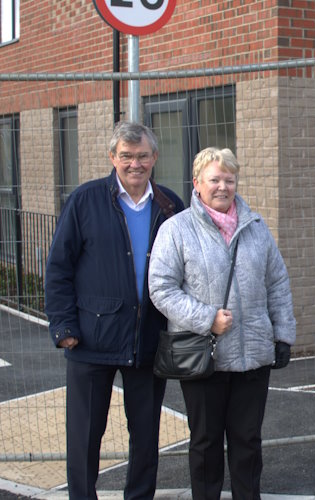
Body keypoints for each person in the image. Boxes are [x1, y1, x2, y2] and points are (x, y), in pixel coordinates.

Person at [44, 121, 184, 499]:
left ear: (154, 157)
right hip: (90, 339)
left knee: (145, 435)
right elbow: (58, 267)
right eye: (126, 156)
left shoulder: (170, 205)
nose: (134, 164)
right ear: (112, 157)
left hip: (148, 340)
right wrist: (63, 327)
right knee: (85, 436)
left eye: (141, 156)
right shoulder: (85, 201)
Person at [148, 147, 296, 499]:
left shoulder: (256, 228)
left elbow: (277, 282)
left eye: (229, 179)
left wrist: (283, 334)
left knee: (247, 442)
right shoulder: (176, 230)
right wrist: (206, 319)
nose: (223, 186)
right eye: (214, 179)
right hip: (204, 358)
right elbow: (161, 288)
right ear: (197, 183)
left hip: (252, 356)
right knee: (206, 443)